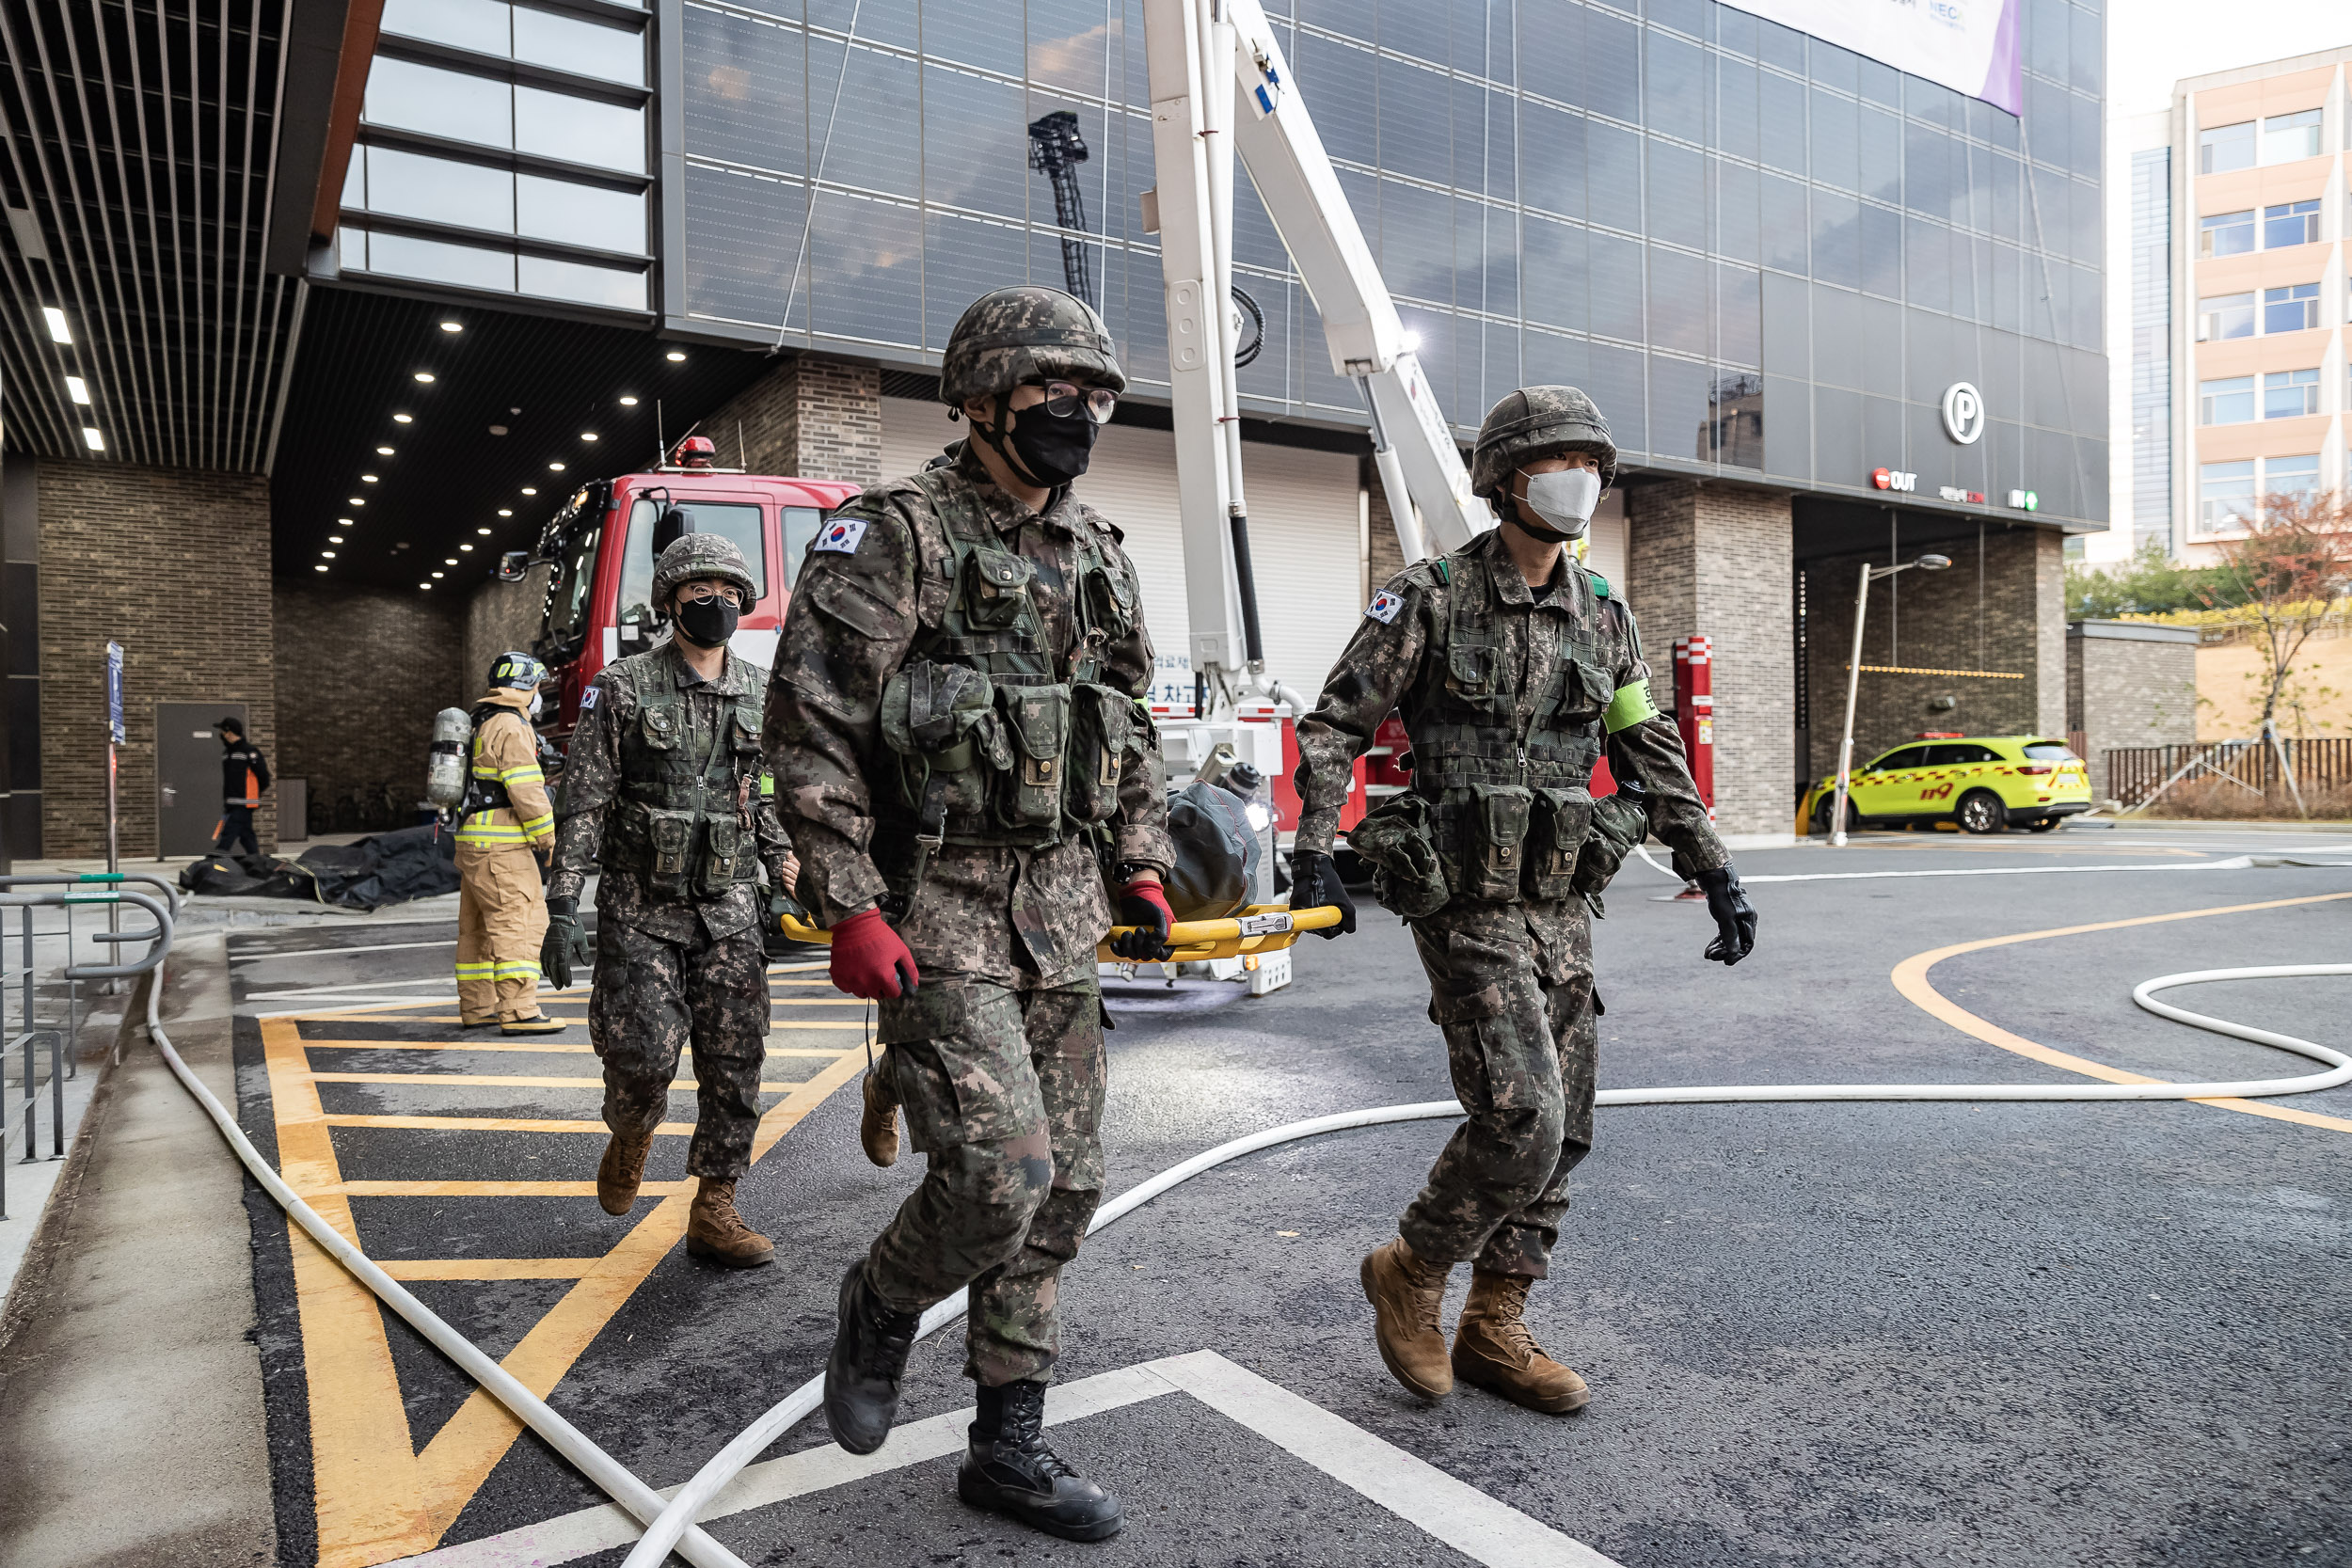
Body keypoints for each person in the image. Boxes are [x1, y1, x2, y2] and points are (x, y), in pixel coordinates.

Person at [767, 285, 1175, 1543]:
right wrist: (848, 899)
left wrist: (1144, 862)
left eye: (1096, 394)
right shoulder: (895, 536)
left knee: (1066, 1190)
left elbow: (1130, 725)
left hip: (1060, 906)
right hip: (936, 905)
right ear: (984, 395)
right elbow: (811, 725)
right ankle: (882, 1300)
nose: (1081, 414)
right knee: (1001, 1173)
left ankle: (1007, 1445)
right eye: (1057, 389)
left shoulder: (1101, 550)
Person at [1290, 385, 1757, 1418]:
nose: (1578, 478)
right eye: (1556, 459)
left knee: (1568, 1123)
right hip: (1463, 896)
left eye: (1591, 460)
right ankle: (1411, 1265)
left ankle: (1494, 1320)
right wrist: (1313, 847)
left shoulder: (1604, 613)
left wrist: (1712, 865)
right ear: (1504, 478)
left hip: (1560, 894)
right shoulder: (1429, 598)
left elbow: (1648, 746)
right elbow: (1335, 725)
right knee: (1521, 1115)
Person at [540, 533, 800, 1269]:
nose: (713, 602)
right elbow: (586, 800)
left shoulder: (758, 690)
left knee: (736, 1062)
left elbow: (767, 795)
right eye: (698, 590)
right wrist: (564, 906)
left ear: (744, 602)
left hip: (730, 911)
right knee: (642, 1057)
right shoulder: (622, 687)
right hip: (641, 909)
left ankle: (715, 1207)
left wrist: (786, 867)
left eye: (726, 590)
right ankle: (630, 1130)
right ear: (670, 599)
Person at [453, 653, 565, 1035]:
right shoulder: (511, 726)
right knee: (519, 922)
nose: (540, 696)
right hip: (503, 846)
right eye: (537, 687)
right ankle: (519, 1011)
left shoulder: (479, 720)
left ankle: (478, 1006)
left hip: (474, 841)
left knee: (478, 930)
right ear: (524, 687)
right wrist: (548, 839)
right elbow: (526, 790)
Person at [213, 717, 270, 855]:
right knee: (246, 836)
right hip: (232, 801)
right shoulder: (227, 754)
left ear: (229, 733)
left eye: (222, 731)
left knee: (229, 831)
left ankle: (217, 858)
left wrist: (254, 793)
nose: (220, 735)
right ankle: (257, 862)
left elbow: (264, 777)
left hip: (245, 802)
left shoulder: (249, 752)